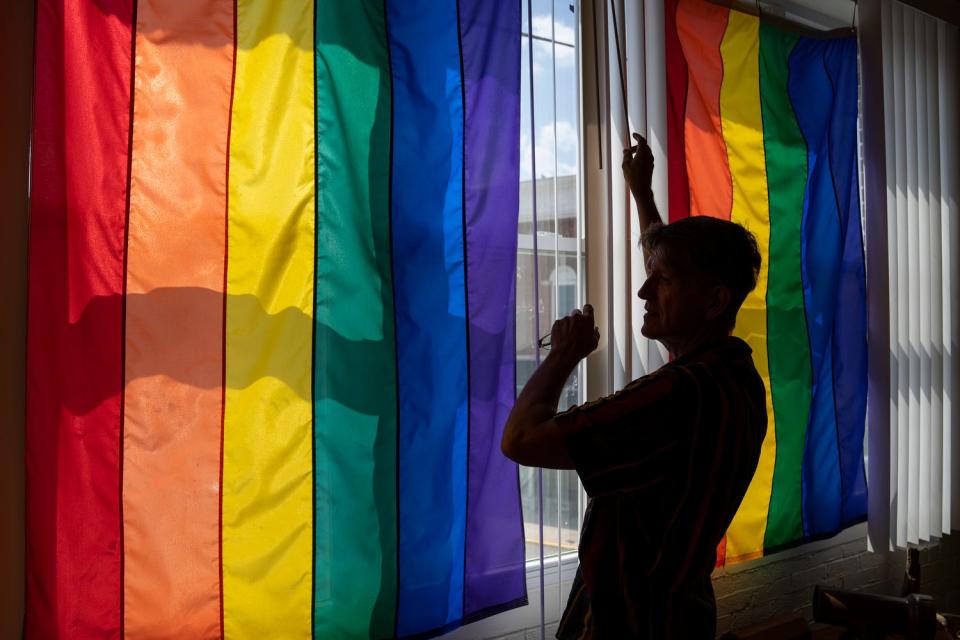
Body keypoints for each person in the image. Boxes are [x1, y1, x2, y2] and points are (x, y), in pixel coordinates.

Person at [501, 133, 766, 639]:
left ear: (713, 302)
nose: (644, 290)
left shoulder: (676, 397)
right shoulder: (736, 379)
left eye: (661, 280)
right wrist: (642, 196)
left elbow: (520, 439)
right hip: (683, 617)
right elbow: (678, 272)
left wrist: (564, 354)